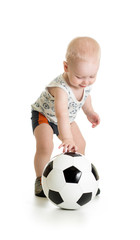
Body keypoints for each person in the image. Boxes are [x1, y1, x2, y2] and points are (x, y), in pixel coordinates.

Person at [31, 37, 101, 197]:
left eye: (92, 76)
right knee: (45, 145)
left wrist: (90, 112)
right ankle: (40, 180)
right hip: (45, 116)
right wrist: (67, 139)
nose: (85, 82)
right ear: (66, 67)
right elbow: (61, 114)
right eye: (80, 77)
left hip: (66, 119)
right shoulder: (60, 88)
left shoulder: (86, 83)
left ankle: (83, 180)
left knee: (80, 144)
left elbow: (85, 98)